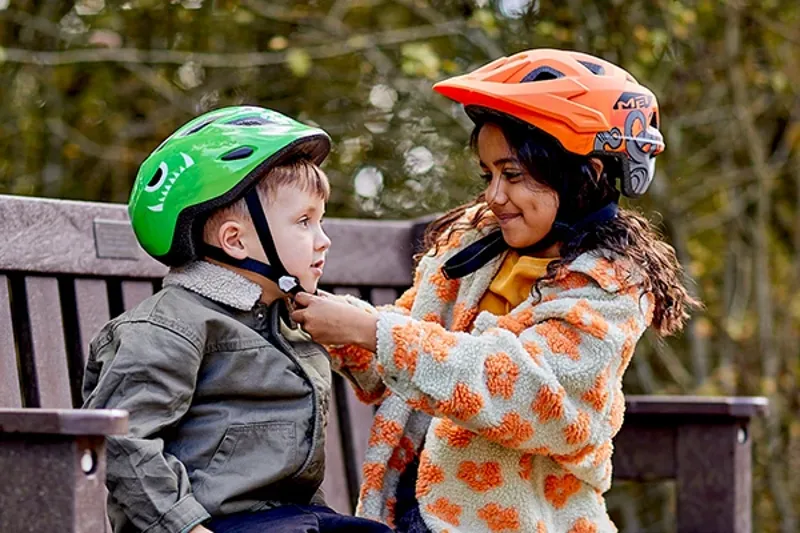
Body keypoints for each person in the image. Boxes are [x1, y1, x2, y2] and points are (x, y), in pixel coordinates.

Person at [291, 49, 698, 533]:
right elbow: (398, 354)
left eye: (514, 175)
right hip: (410, 516)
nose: (494, 196)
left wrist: (373, 330)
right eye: (488, 175)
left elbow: (525, 391)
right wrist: (327, 322)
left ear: (585, 175)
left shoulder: (607, 289)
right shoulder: (475, 248)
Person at [82, 106, 392, 533]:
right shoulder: (169, 328)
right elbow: (122, 441)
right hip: (205, 524)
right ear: (235, 241)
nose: (324, 240)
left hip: (285, 520)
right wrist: (187, 528)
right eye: (304, 222)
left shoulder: (290, 320)